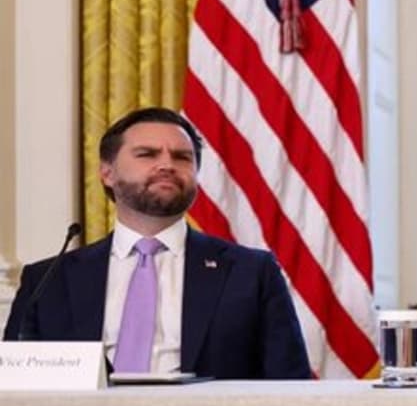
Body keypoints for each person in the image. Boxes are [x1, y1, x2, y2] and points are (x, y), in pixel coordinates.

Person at [3, 107, 312, 379]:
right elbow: (16, 387)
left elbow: (288, 385)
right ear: (107, 173)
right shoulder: (48, 281)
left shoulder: (251, 273)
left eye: (182, 157)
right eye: (147, 154)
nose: (167, 165)